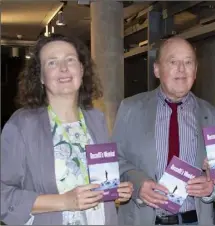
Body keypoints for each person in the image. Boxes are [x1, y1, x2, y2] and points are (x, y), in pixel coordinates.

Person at [1, 34, 133, 225]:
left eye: (70, 60)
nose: (63, 68)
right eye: (52, 63)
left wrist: (114, 191)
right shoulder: (22, 124)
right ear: (41, 77)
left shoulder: (95, 119)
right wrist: (64, 201)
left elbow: (101, 179)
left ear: (81, 69)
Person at [112, 37, 215, 225]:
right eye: (173, 62)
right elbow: (114, 159)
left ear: (195, 71)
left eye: (188, 62)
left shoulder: (213, 116)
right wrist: (138, 184)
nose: (181, 69)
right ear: (157, 70)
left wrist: (211, 188)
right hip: (143, 219)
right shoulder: (130, 108)